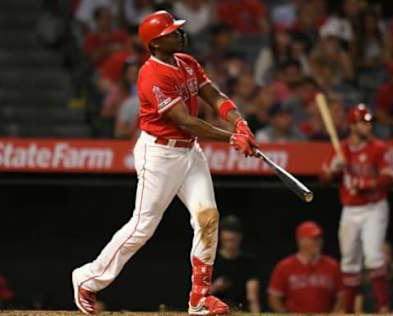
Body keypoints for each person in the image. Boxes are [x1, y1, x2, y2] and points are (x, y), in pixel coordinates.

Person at [72, 10, 258, 315]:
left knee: (208, 218)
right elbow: (186, 122)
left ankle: (199, 299)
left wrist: (239, 122)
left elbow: (212, 93)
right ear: (156, 43)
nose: (179, 34)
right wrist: (229, 138)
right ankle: (88, 278)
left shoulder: (186, 62)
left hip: (189, 152)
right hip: (159, 154)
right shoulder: (151, 74)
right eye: (172, 32)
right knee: (142, 226)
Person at [321, 104, 393, 313]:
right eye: (363, 122)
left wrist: (364, 183)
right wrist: (334, 169)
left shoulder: (378, 148)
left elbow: (389, 178)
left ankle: (383, 308)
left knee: (373, 257)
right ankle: (349, 311)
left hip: (374, 207)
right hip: (350, 209)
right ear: (353, 125)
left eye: (369, 122)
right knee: (349, 263)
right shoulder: (341, 149)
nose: (368, 126)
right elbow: (324, 178)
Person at [267, 221, 344, 313]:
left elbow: (342, 296)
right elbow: (274, 297)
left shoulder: (333, 265)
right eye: (313, 239)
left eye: (319, 238)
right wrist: (285, 314)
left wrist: (335, 314)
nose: (318, 242)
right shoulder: (284, 266)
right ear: (301, 241)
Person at [211, 216, 260, 313]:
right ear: (220, 237)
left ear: (240, 237)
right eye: (226, 240)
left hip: (240, 310)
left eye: (233, 240)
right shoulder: (211, 260)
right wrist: (215, 287)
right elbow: (199, 295)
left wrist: (256, 313)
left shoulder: (248, 262)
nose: (229, 243)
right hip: (214, 310)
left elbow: (252, 298)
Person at [355, 242, 393, 314]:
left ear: (391, 258)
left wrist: (389, 314)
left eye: (385, 254)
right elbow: (357, 310)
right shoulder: (362, 281)